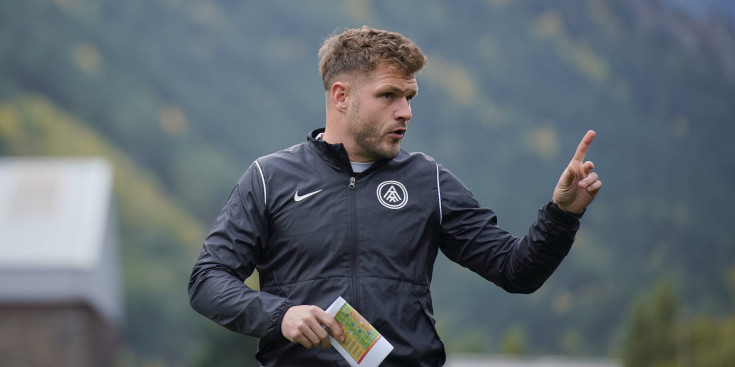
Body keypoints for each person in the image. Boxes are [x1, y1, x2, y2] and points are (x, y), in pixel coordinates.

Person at [188, 26, 601, 367]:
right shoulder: (269, 178)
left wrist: (561, 215)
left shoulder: (430, 181)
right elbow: (208, 280)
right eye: (388, 96)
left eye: (409, 98)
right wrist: (279, 315)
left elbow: (516, 271)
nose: (405, 112)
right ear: (341, 96)